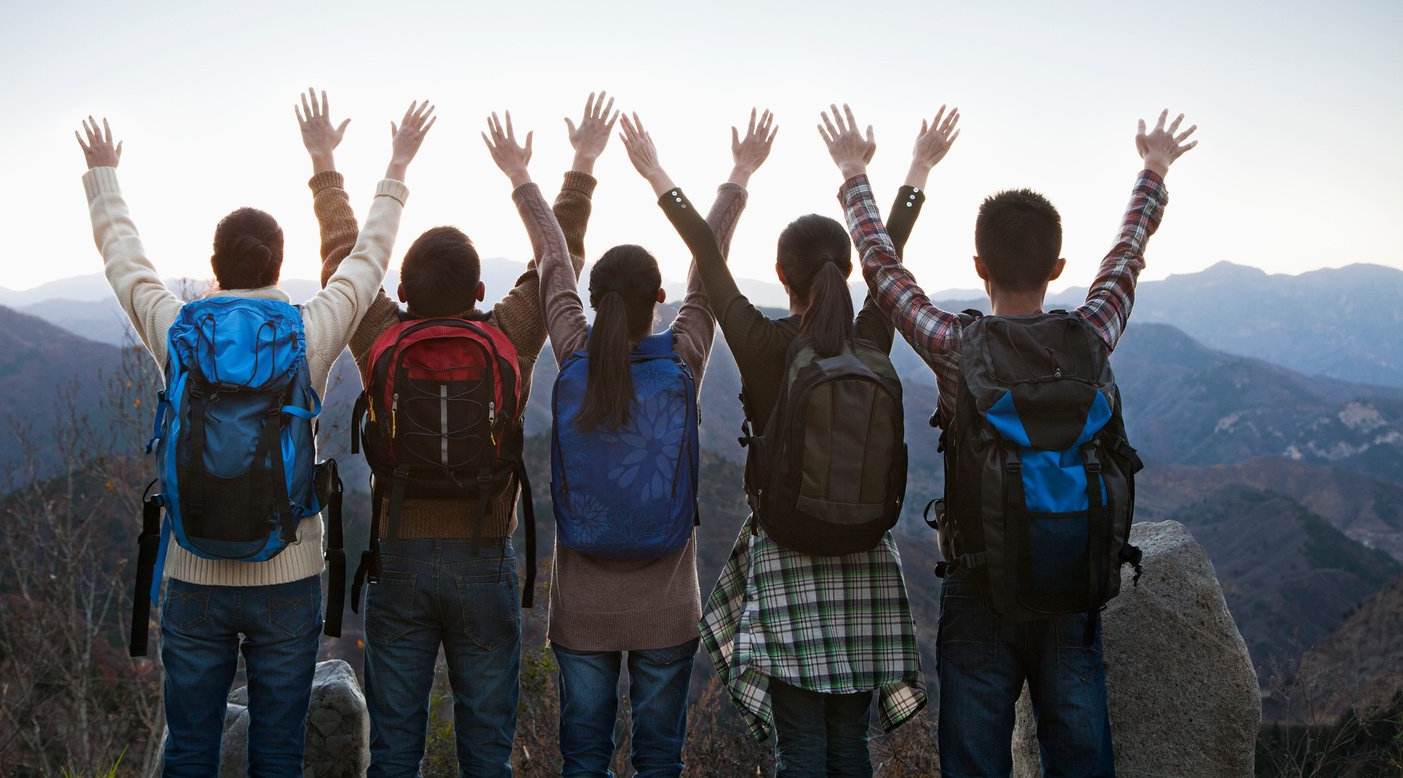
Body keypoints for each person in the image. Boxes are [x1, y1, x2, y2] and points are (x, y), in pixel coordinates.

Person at [822, 105, 1198, 778]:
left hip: (979, 583)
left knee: (974, 761)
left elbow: (881, 270)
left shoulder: (955, 347)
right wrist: (1154, 167)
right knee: (1079, 758)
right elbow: (1125, 257)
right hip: (1072, 582)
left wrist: (854, 171)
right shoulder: (1092, 334)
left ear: (977, 263)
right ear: (1057, 267)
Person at [75, 101, 431, 778]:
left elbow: (126, 265)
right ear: (279, 262)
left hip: (192, 570)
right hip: (289, 574)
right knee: (275, 753)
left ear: (214, 265)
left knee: (188, 748)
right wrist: (395, 165)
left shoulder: (177, 330)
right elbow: (366, 259)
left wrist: (104, 177)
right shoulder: (309, 331)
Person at [300, 90, 617, 778]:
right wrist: (579, 164)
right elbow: (558, 260)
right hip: (484, 556)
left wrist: (328, 163)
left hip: (400, 559)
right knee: (484, 751)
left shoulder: (380, 332)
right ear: (479, 290)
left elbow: (343, 260)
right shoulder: (506, 334)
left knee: (393, 752)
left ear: (403, 290)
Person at [650, 107, 957, 776]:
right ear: (848, 270)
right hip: (865, 555)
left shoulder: (763, 346)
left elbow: (705, 254)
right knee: (847, 743)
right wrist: (914, 169)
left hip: (786, 555)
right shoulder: (871, 336)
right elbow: (890, 256)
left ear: (781, 275)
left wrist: (660, 174)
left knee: (801, 745)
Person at [484, 109, 767, 778]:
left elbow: (553, 262)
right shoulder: (685, 356)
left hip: (582, 610)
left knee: (582, 755)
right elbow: (710, 265)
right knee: (658, 756)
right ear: (659, 300)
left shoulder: (574, 351)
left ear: (594, 298)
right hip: (666, 608)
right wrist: (738, 174)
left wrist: (526, 176)